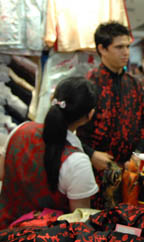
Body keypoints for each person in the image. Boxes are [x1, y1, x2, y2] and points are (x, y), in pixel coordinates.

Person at [0, 76, 99, 229]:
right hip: (45, 237)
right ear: (89, 115)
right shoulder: (77, 162)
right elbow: (79, 222)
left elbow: (2, 173)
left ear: (53, 99)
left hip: (6, 230)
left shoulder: (20, 130)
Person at [76, 21, 144, 210]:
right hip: (94, 173)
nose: (126, 52)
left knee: (130, 229)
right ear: (102, 49)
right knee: (99, 231)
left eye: (127, 46)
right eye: (119, 47)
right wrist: (91, 154)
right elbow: (70, 131)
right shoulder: (87, 85)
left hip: (131, 172)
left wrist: (137, 155)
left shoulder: (135, 85)